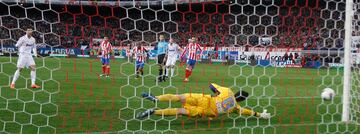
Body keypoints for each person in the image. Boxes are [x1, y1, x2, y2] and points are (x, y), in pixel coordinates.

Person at [136, 83, 270, 119]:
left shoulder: (227, 91)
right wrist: (259, 114)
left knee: (179, 97)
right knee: (179, 111)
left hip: (203, 99)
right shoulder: (235, 107)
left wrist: (217, 92)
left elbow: (211, 85)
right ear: (241, 100)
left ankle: (156, 98)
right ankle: (155, 112)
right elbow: (246, 112)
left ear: (236, 92)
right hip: (205, 111)